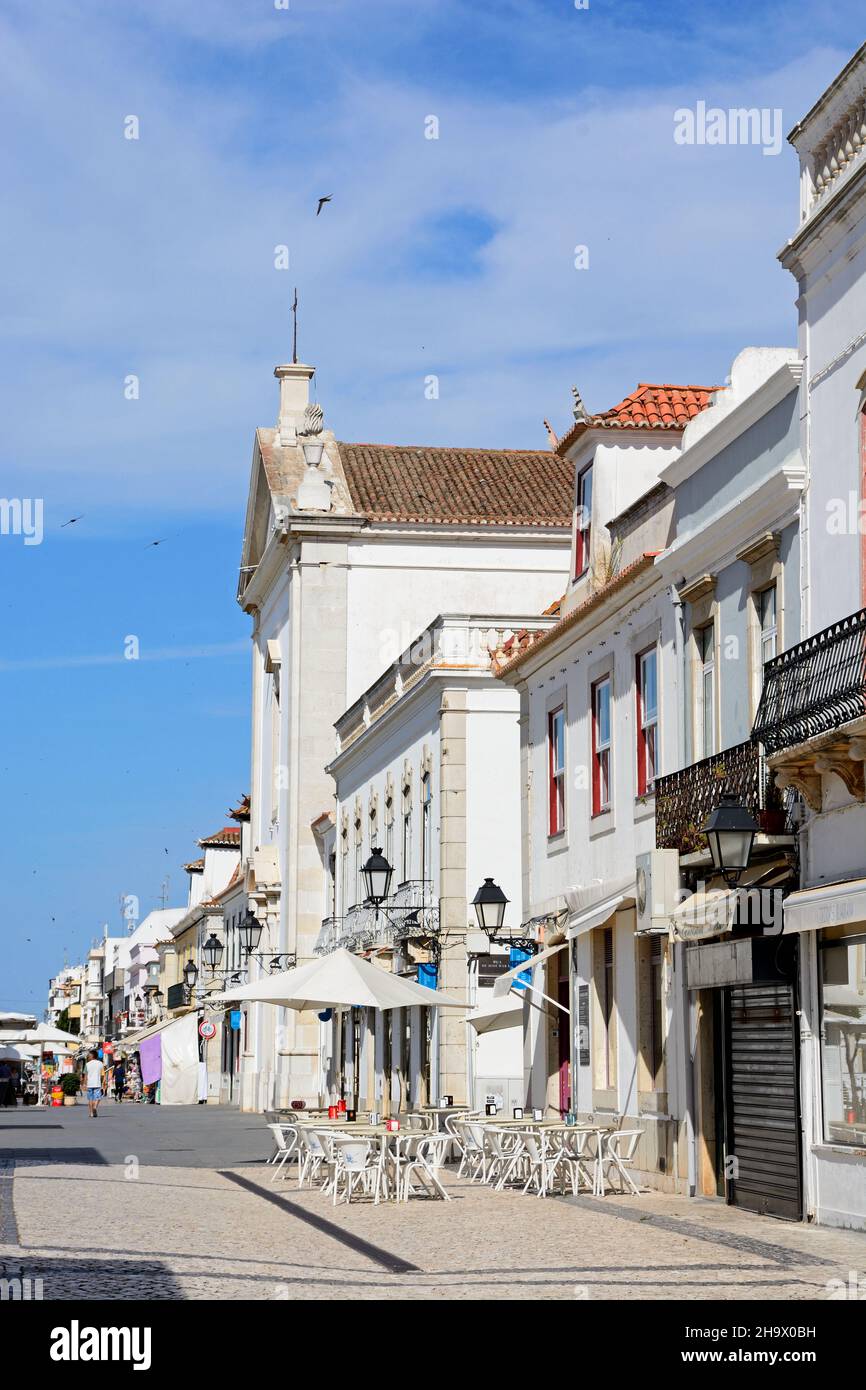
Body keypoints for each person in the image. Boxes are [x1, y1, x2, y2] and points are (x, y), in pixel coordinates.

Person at [84, 1051, 103, 1118]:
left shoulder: (87, 1064)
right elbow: (102, 1074)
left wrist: (84, 1084)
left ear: (92, 1056)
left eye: (89, 1055)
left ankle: (91, 1113)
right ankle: (95, 1107)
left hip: (89, 1084)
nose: (88, 1057)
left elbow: (86, 1075)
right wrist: (103, 1082)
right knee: (98, 1098)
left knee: (90, 1099)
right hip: (97, 1083)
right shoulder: (100, 1063)